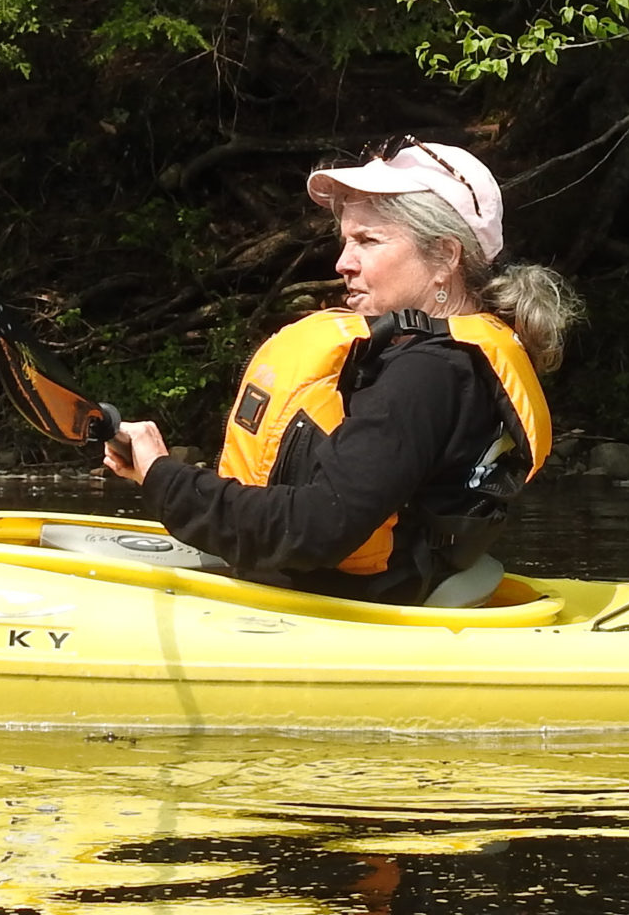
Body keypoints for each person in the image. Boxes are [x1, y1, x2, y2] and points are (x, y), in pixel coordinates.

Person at [101, 139, 581, 604]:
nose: (342, 263)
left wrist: (165, 479)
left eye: (367, 241)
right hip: (386, 589)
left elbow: (313, 530)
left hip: (354, 611)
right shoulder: (449, 357)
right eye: (346, 240)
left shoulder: (429, 372)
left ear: (445, 257)